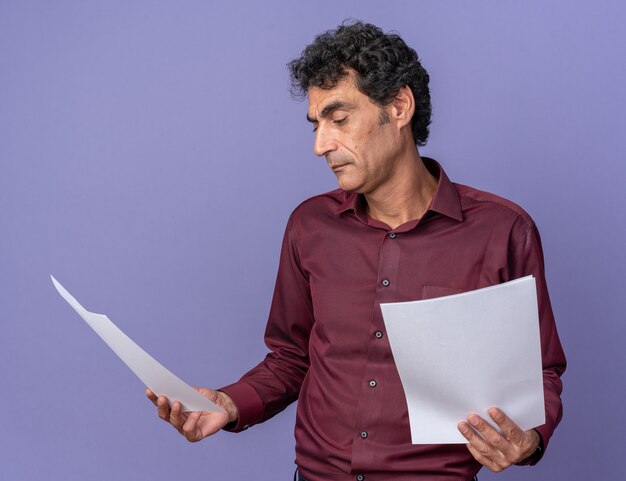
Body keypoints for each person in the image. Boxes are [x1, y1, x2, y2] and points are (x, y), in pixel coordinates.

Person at [146, 21, 566, 481]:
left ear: (399, 107)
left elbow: (539, 373)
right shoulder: (310, 225)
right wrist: (227, 404)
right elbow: (291, 357)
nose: (320, 145)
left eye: (339, 119)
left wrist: (529, 439)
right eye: (316, 124)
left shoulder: (502, 230)